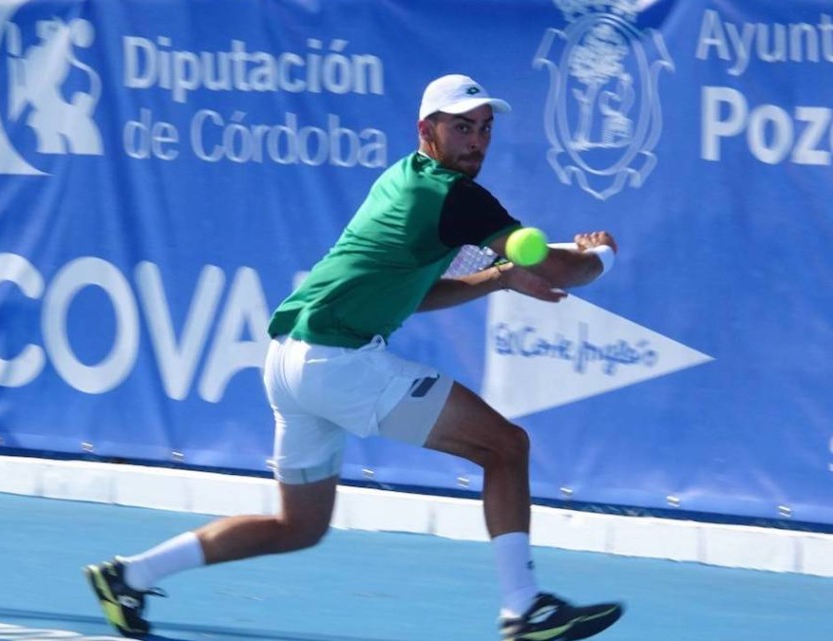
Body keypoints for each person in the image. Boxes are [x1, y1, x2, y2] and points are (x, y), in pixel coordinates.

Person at [85, 74, 623, 641]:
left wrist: (498, 280)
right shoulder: (455, 197)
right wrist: (602, 253)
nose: (476, 141)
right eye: (462, 127)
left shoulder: (402, 180)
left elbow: (419, 293)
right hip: (336, 364)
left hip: (290, 363)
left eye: (485, 129)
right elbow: (558, 269)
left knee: (298, 526)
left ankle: (130, 576)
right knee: (506, 447)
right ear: (428, 129)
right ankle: (523, 607)